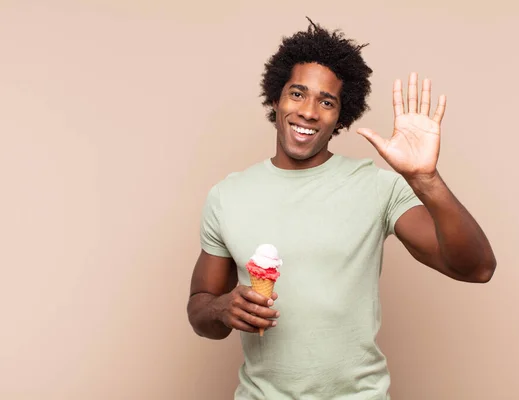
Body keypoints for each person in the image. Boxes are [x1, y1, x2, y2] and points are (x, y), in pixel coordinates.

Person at [187, 18, 496, 399]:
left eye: (327, 101)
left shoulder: (378, 187)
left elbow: (477, 268)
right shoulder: (227, 196)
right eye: (297, 94)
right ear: (275, 100)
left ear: (340, 118)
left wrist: (426, 179)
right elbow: (201, 311)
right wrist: (222, 309)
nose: (309, 112)